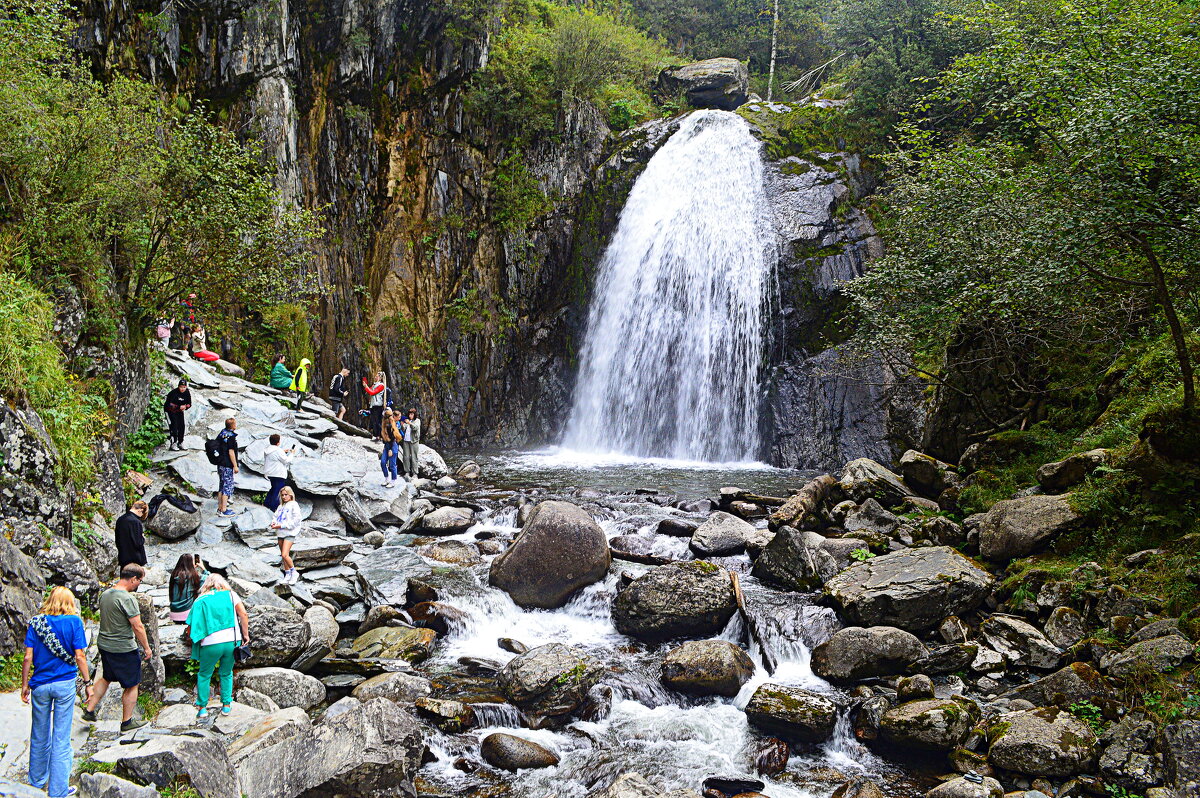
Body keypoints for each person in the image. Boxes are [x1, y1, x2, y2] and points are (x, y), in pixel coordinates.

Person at [20, 587, 90, 798]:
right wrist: (87, 681)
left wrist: (24, 685)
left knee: (39, 735)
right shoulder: (74, 622)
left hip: (40, 684)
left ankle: (36, 782)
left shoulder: (36, 623)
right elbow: (79, 656)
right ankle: (58, 791)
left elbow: (27, 657)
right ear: (70, 603)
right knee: (61, 737)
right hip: (64, 684)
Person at [82, 564, 151, 732]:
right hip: (123, 648)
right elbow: (137, 626)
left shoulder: (105, 595)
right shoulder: (127, 599)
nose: (138, 584)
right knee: (132, 684)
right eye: (139, 581)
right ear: (133, 579)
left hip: (105, 645)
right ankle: (127, 722)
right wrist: (147, 648)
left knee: (106, 677)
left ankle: (89, 710)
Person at [186, 575, 249, 719]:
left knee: (204, 674)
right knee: (226, 673)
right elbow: (243, 614)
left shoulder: (200, 600)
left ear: (206, 585)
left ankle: (202, 708)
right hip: (232, 641)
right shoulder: (231, 595)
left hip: (210, 642)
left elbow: (191, 624)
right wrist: (245, 635)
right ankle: (226, 705)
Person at [269, 486, 302, 585]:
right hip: (280, 533)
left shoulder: (294, 505)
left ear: (290, 495)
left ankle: (294, 572)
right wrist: (274, 523)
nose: (284, 497)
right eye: (282, 495)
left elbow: (296, 520)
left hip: (289, 532)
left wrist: (282, 525)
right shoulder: (280, 506)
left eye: (286, 495)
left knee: (285, 554)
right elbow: (275, 517)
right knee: (283, 556)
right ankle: (287, 574)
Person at [169, 553, 208, 623]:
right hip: (187, 615)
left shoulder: (173, 575)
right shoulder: (194, 576)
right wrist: (203, 568)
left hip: (174, 614)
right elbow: (210, 579)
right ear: (191, 563)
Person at [262, 434, 294, 511]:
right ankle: (274, 508)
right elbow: (287, 461)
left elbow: (274, 455)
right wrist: (292, 453)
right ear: (278, 442)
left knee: (273, 488)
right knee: (278, 491)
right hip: (278, 473)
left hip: (270, 473)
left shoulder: (267, 450)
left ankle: (266, 503)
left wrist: (283, 451)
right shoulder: (278, 450)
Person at [215, 418, 239, 517]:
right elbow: (231, 452)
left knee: (221, 485)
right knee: (227, 487)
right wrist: (235, 465)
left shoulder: (222, 433)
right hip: (227, 464)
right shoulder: (231, 436)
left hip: (220, 463)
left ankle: (219, 508)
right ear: (233, 425)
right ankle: (224, 510)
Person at [115, 500, 149, 569]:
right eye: (143, 514)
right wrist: (143, 538)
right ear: (141, 510)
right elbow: (138, 543)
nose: (141, 516)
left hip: (123, 557)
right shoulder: (136, 522)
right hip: (135, 559)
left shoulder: (120, 519)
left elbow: (117, 540)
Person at [163, 379, 192, 451]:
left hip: (179, 411)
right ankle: (174, 443)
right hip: (170, 411)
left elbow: (189, 403)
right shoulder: (173, 393)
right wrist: (179, 407)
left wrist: (186, 407)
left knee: (182, 426)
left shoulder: (187, 392)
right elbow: (168, 404)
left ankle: (181, 442)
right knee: (174, 426)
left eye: (184, 387)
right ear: (178, 386)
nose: (182, 389)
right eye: (181, 387)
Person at [362, 372, 386, 439]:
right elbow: (368, 391)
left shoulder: (381, 385)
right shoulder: (374, 384)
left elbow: (372, 393)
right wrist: (365, 385)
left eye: (377, 376)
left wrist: (366, 387)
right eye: (375, 376)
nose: (375, 377)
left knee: (378, 421)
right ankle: (375, 434)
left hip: (378, 405)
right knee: (373, 420)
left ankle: (380, 435)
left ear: (380, 378)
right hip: (373, 405)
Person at [380, 409, 400, 487]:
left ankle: (393, 481)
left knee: (392, 464)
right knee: (382, 462)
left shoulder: (390, 426)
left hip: (393, 445)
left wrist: (391, 449)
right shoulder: (384, 425)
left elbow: (393, 438)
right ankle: (386, 478)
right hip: (387, 445)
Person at [401, 407, 422, 480]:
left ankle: (415, 473)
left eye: (412, 414)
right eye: (409, 414)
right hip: (406, 440)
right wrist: (402, 425)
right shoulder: (408, 421)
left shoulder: (417, 421)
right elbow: (404, 429)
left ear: (415, 414)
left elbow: (415, 428)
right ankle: (407, 471)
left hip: (414, 441)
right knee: (406, 457)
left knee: (414, 457)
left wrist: (409, 423)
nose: (410, 415)